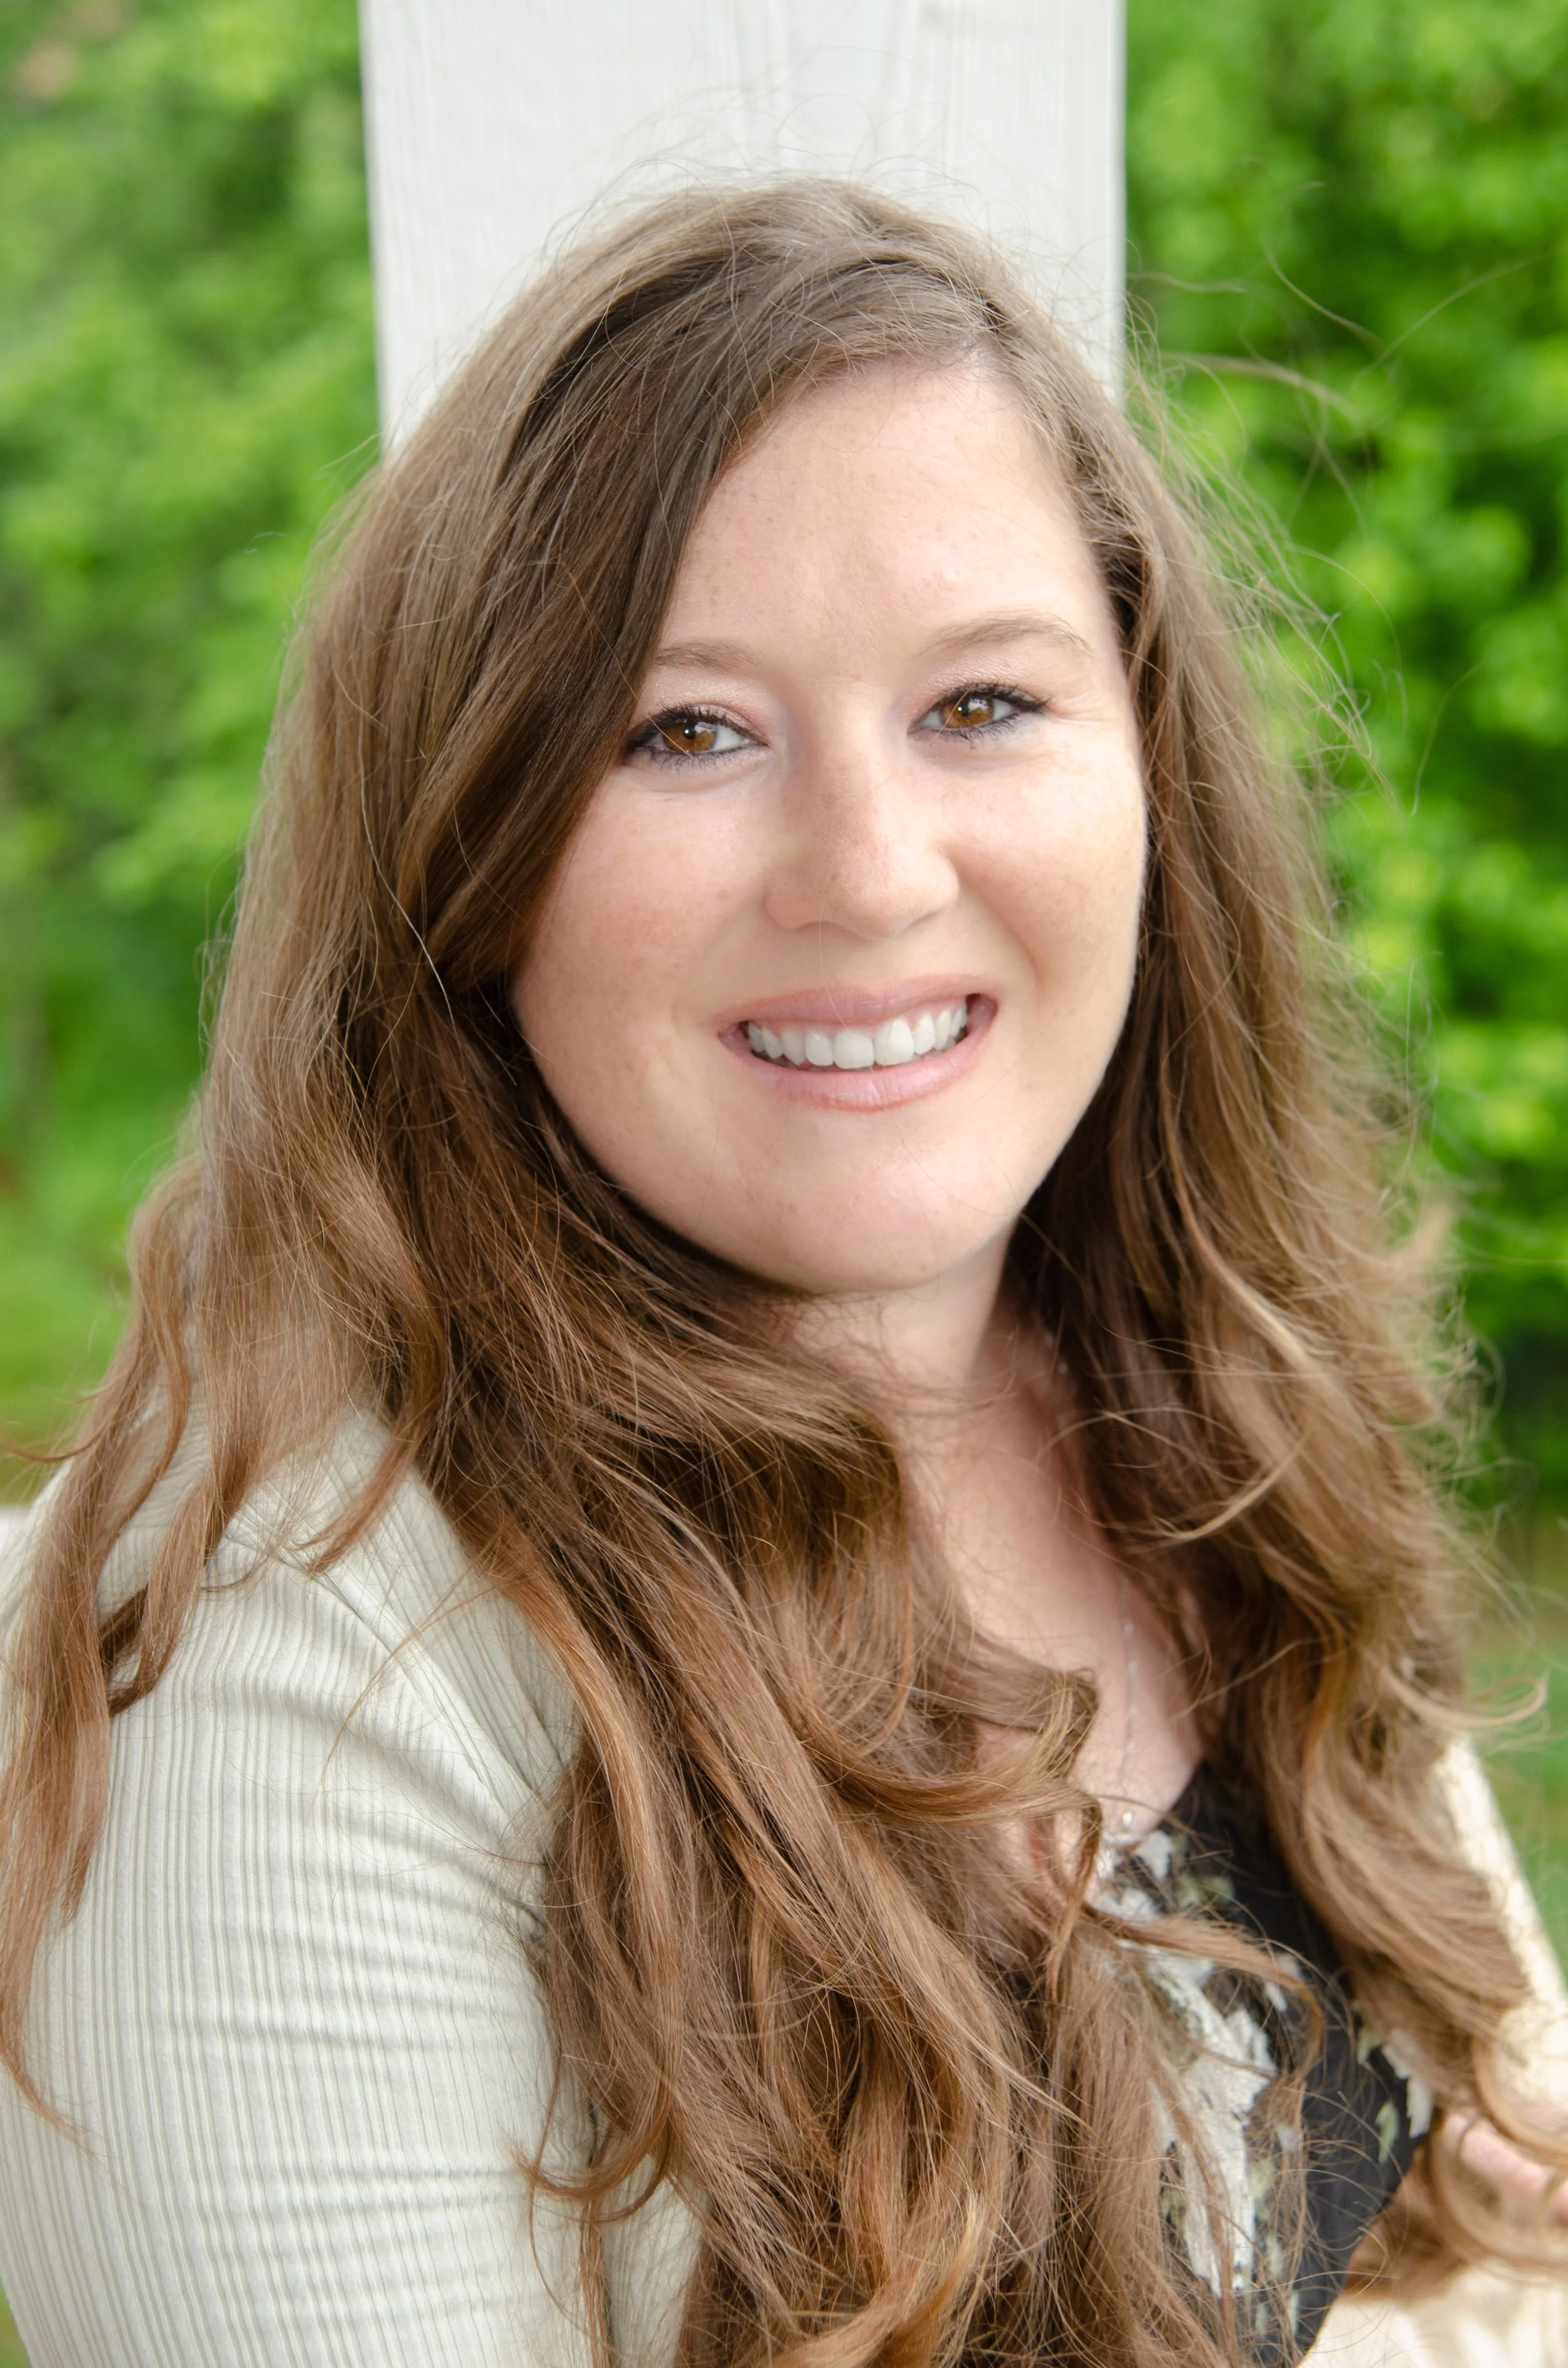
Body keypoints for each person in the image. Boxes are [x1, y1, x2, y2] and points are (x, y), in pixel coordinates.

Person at [0, 179, 1562, 2368]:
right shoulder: (281, 1668)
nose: (868, 871)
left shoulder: (1206, 1402)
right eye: (687, 731)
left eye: (981, 702)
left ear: (1148, 770)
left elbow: (1487, 2218)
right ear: (468, 840)